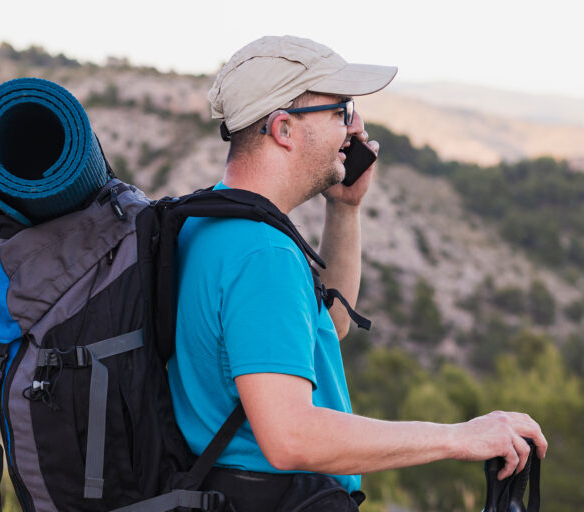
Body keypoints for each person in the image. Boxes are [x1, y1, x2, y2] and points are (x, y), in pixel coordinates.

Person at [167, 35, 548, 511]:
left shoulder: (212, 221)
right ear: (284, 128)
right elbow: (291, 436)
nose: (356, 127)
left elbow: (330, 328)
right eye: (341, 111)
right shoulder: (262, 254)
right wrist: (460, 437)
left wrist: (345, 210)